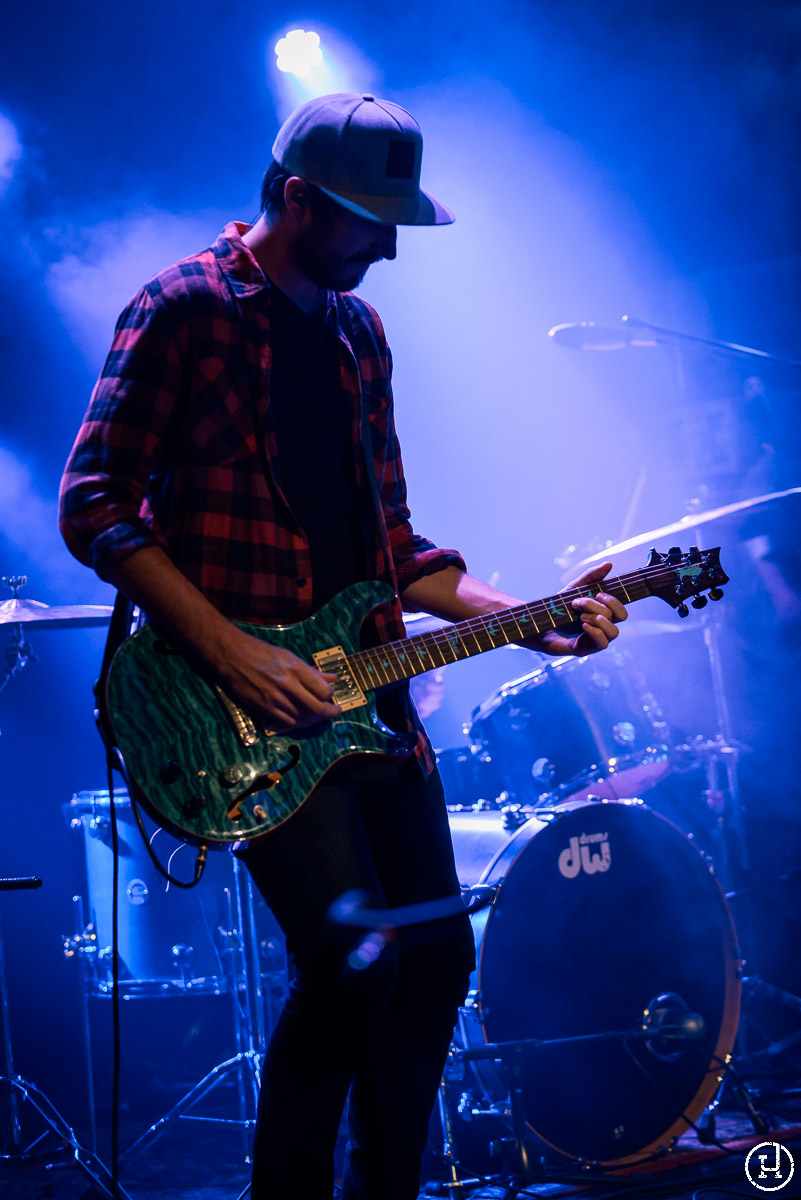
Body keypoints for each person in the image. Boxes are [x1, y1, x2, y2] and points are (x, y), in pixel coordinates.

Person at [58, 92, 627, 1200]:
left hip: (364, 693)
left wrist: (529, 614)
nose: (390, 244)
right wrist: (232, 654)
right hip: (225, 698)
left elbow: (396, 547)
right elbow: (94, 504)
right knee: (347, 966)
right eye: (371, 219)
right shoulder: (181, 310)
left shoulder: (360, 334)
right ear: (298, 197)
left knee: (437, 962)